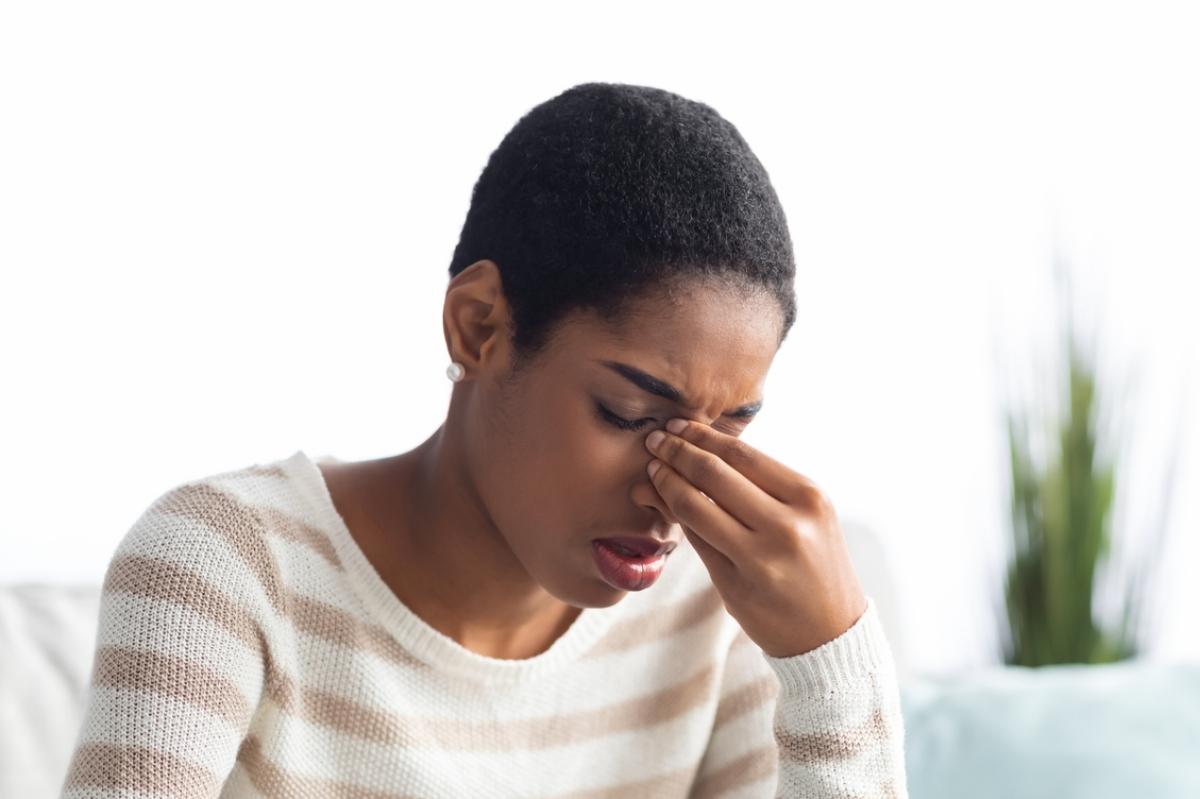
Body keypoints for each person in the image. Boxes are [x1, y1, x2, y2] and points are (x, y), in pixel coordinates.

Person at [61, 81, 908, 798]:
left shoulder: (715, 615)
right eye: (628, 413)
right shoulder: (229, 569)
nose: (673, 492)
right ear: (478, 327)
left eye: (729, 429)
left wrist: (828, 661)